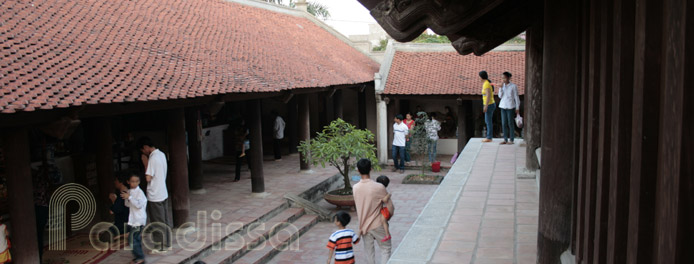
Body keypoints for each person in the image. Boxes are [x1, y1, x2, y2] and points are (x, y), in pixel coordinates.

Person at [353, 159, 394, 264]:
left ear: (358, 170)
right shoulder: (378, 187)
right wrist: (386, 218)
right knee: (385, 249)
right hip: (378, 224)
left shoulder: (355, 188)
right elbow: (390, 207)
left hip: (364, 227)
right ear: (371, 169)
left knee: (369, 253)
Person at [137, 137, 172, 252]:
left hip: (155, 194)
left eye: (143, 150)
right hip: (163, 191)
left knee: (157, 221)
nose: (143, 153)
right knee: (164, 219)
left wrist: (145, 163)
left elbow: (148, 177)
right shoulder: (161, 154)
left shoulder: (152, 158)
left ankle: (160, 246)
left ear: (146, 147)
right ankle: (167, 243)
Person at [122, 174, 147, 264]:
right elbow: (127, 205)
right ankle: (138, 256)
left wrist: (129, 197)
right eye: (132, 181)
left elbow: (138, 205)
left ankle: (140, 257)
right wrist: (127, 198)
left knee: (131, 238)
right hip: (133, 219)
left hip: (139, 219)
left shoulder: (140, 193)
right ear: (128, 182)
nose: (134, 183)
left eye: (136, 181)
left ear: (139, 182)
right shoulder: (129, 192)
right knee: (135, 238)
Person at [104, 174, 130, 241]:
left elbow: (113, 210)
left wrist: (114, 201)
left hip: (123, 224)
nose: (114, 182)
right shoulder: (128, 192)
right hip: (129, 223)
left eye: (116, 180)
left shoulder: (123, 195)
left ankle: (122, 235)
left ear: (120, 182)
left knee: (105, 237)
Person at [498, 72, 520, 145]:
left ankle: (511, 139)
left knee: (510, 123)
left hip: (510, 106)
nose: (503, 79)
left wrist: (517, 107)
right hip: (503, 106)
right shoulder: (502, 86)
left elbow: (516, 97)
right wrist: (501, 88)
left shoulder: (513, 86)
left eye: (504, 78)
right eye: (502, 78)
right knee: (504, 123)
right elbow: (500, 96)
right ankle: (505, 139)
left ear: (508, 78)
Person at [376, 175, 393, 242]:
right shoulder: (384, 190)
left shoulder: (382, 191)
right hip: (388, 209)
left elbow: (385, 200)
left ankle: (387, 235)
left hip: (387, 210)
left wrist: (388, 195)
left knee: (383, 221)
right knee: (384, 222)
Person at [480, 70, 496, 142]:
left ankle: (489, 137)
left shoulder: (486, 84)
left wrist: (485, 106)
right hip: (489, 104)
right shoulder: (486, 83)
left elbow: (488, 95)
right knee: (488, 120)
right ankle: (489, 136)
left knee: (488, 121)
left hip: (489, 104)